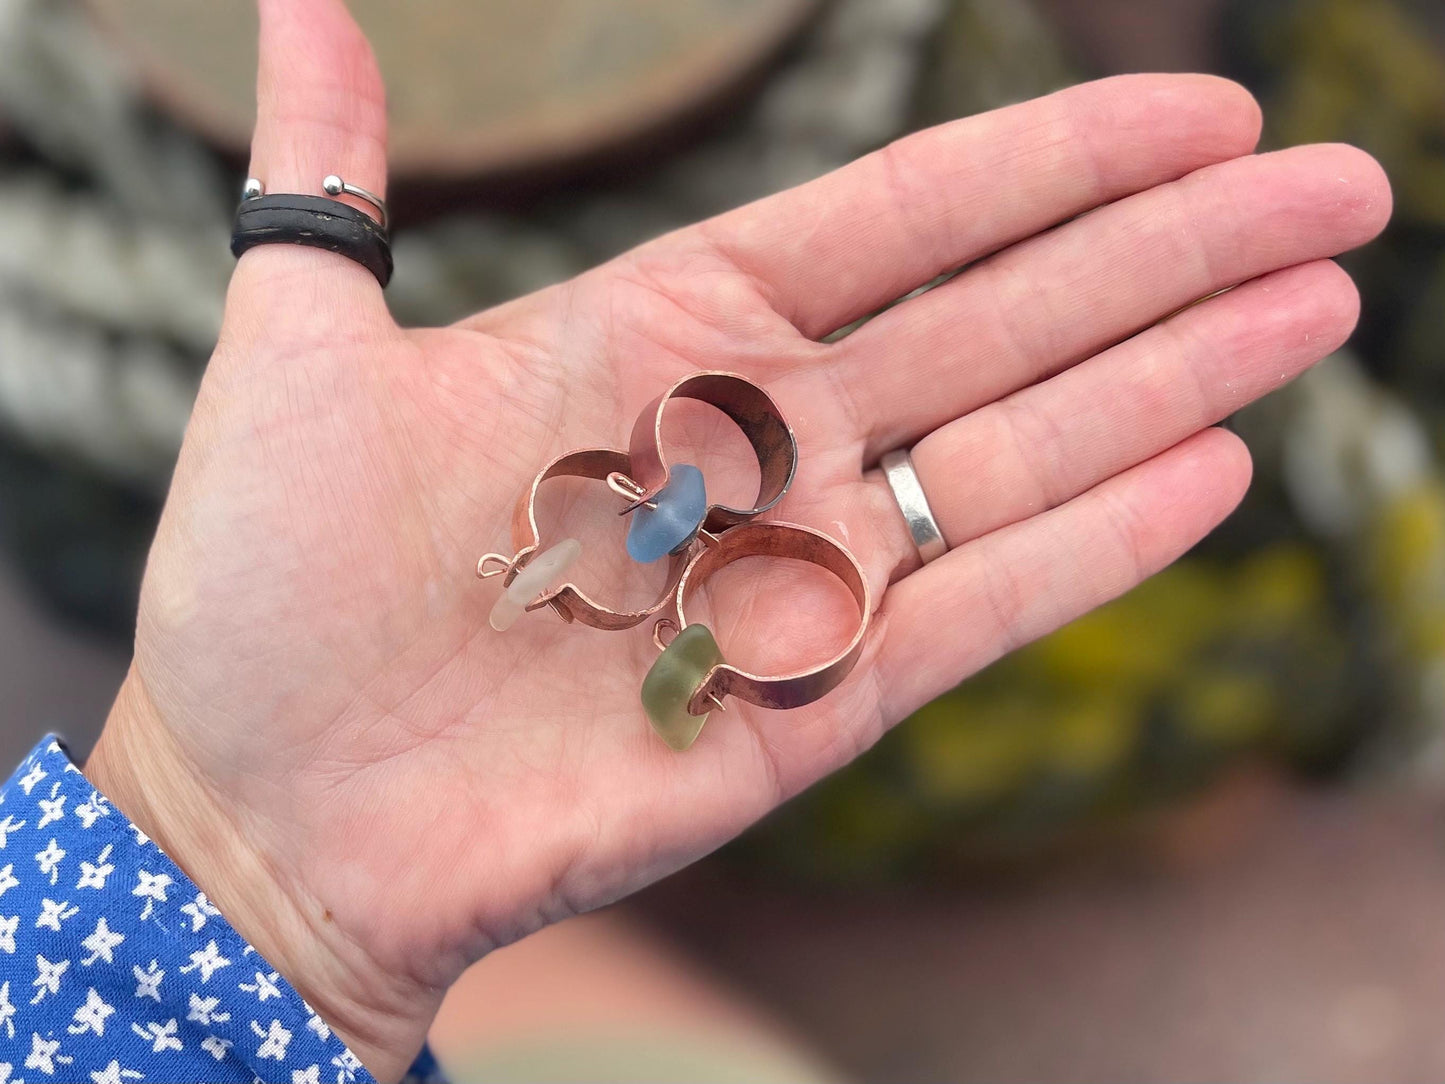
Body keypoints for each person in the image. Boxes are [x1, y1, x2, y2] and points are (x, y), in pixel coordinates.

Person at [0, 0, 1391, 1080]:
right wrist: (241, 869)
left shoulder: (669, 545)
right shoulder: (634, 551)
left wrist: (253, 883)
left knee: (575, 997)